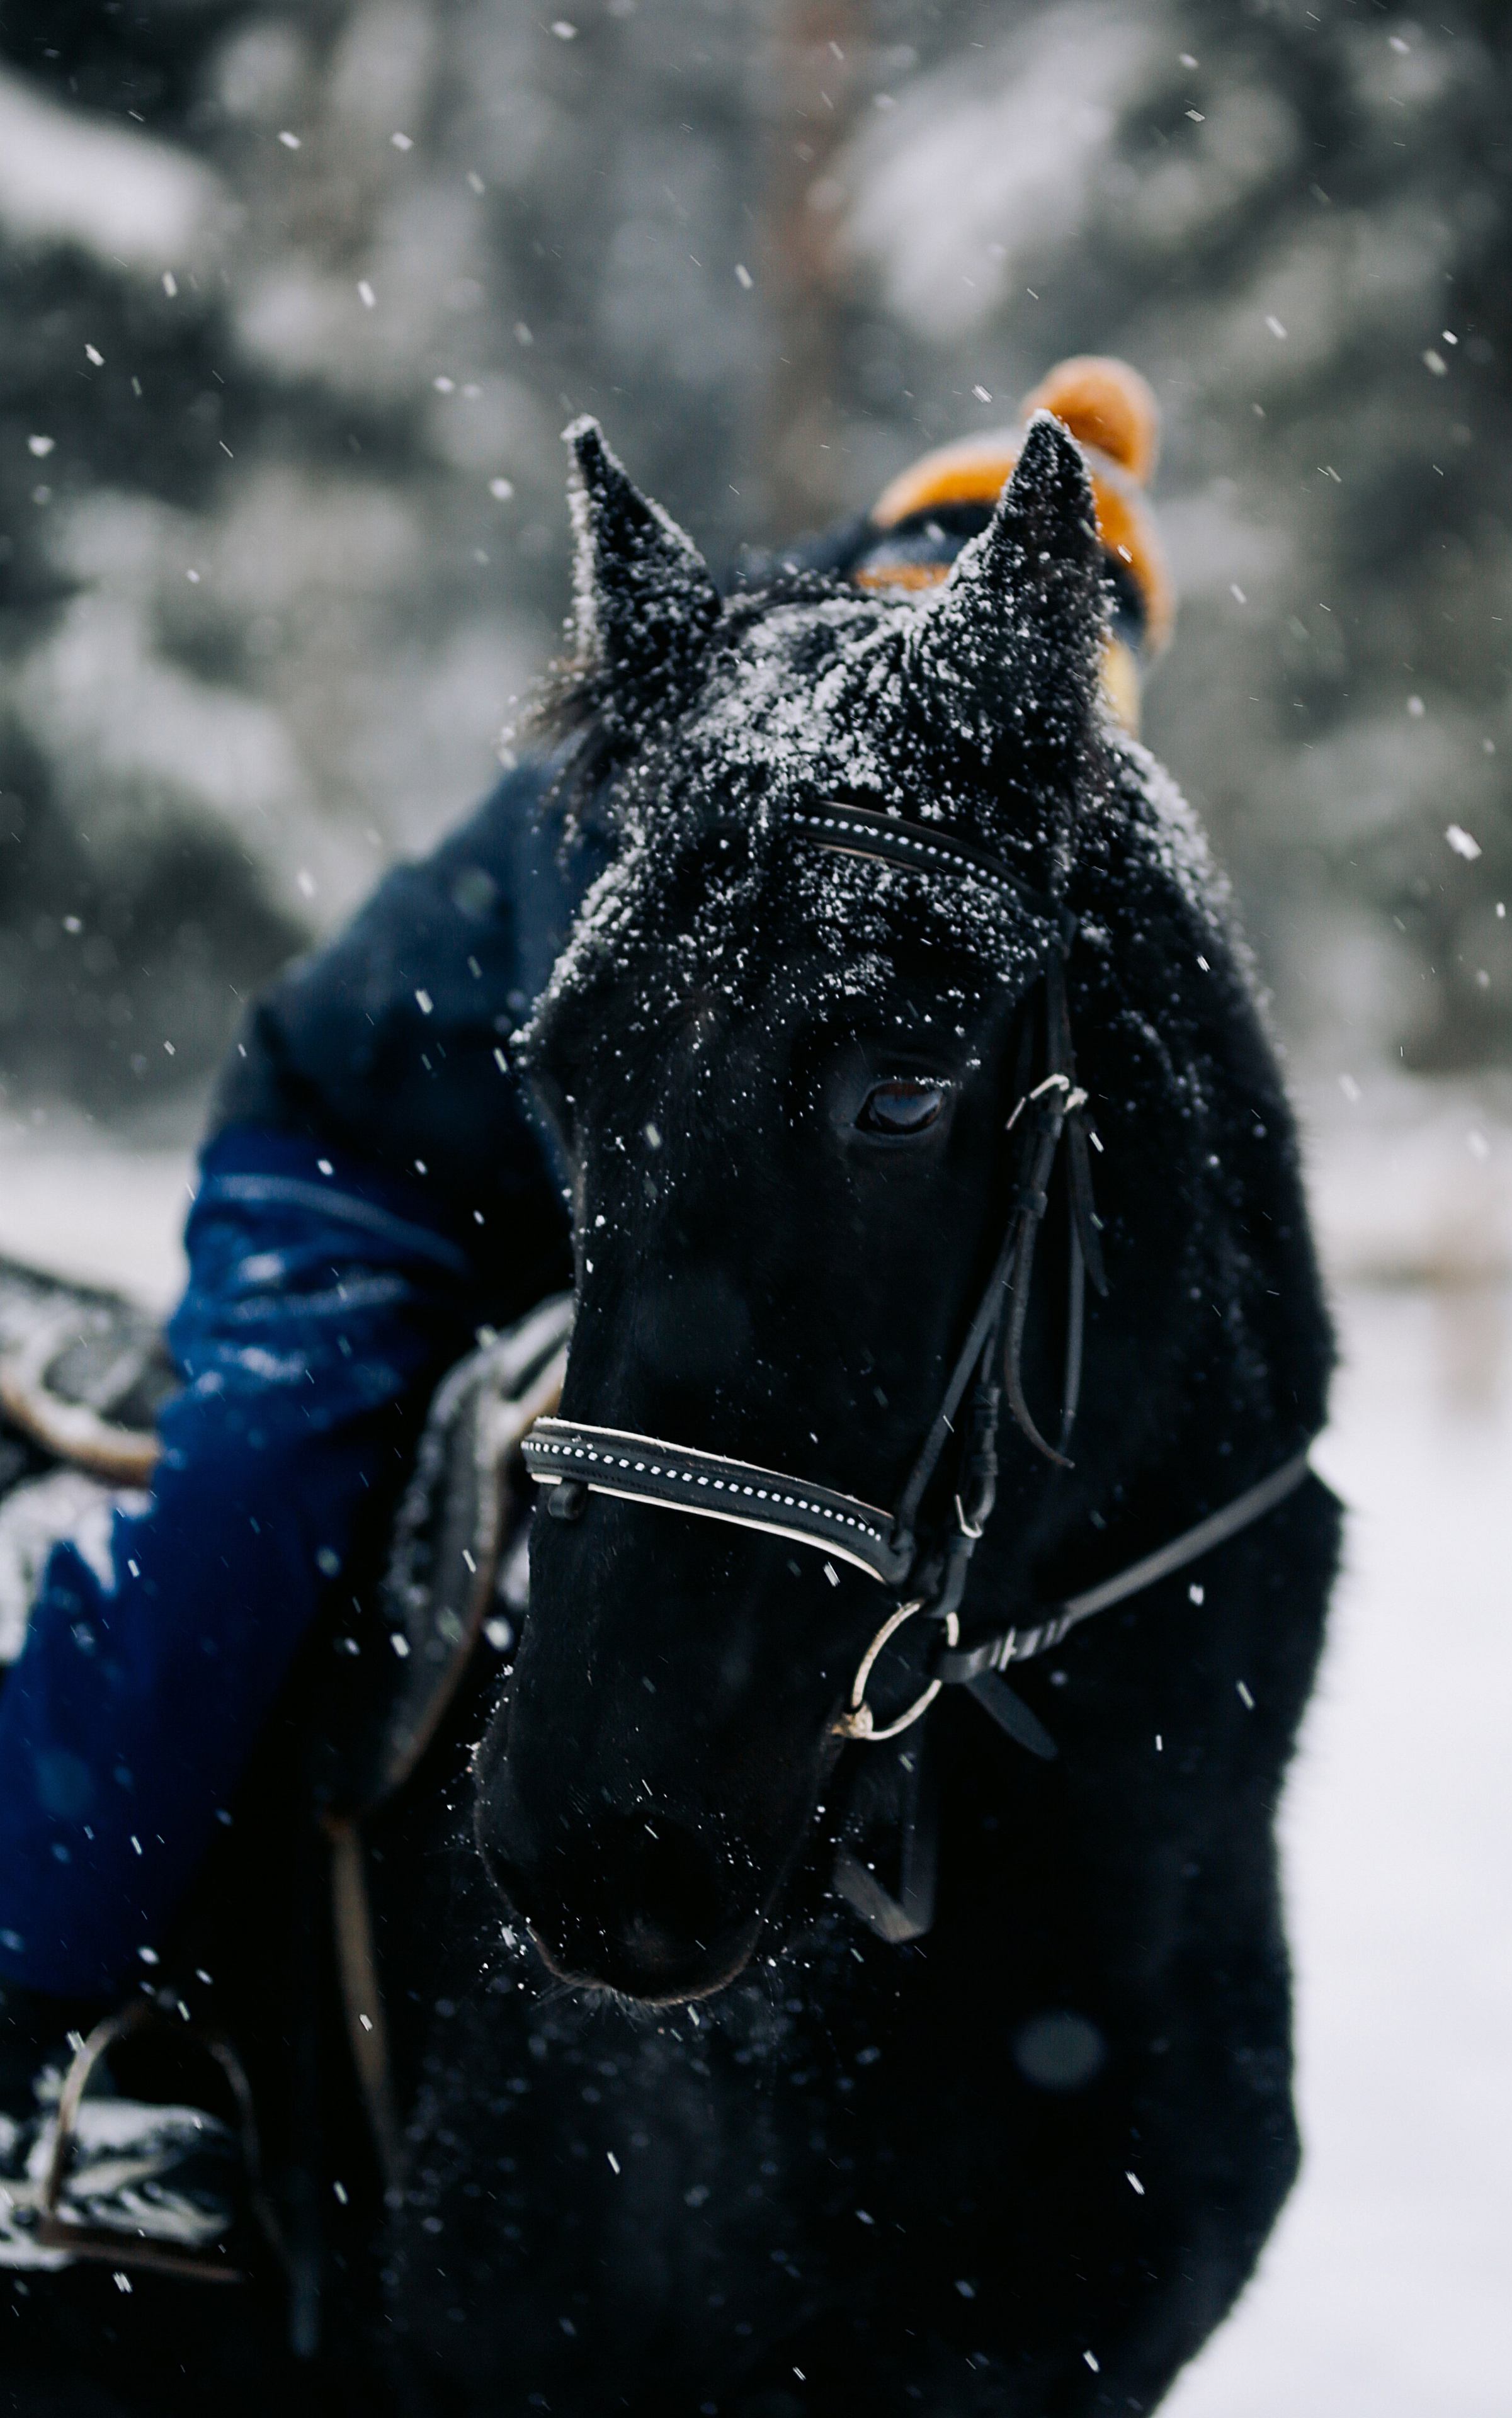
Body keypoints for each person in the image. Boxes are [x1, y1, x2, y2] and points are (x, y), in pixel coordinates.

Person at [0, 361, 1172, 2268]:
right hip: (366, 1179)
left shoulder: (919, 838)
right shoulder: (712, 749)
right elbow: (683, 1081)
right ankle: (53, 2013)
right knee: (272, 1471)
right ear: (895, 596)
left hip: (583, 1220)